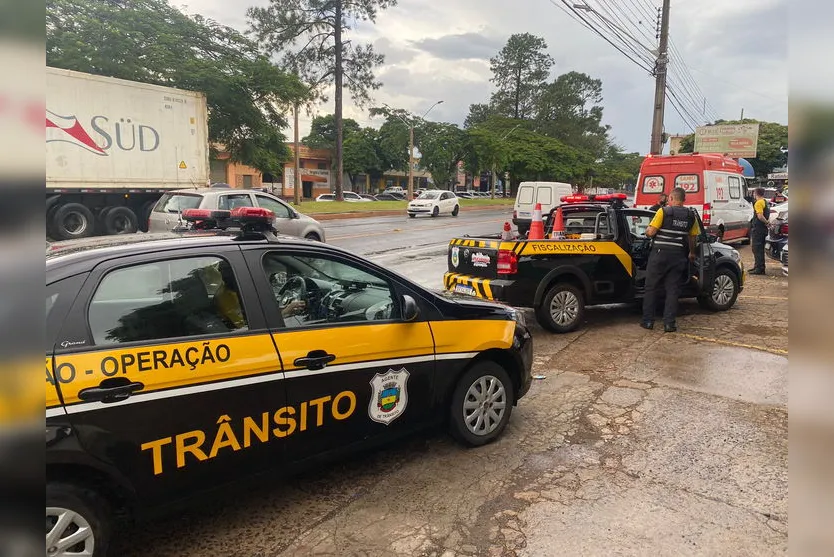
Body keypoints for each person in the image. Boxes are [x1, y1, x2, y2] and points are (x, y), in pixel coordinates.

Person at [641, 187, 700, 333]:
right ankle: (669, 324)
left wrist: (647, 231)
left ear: (672, 199)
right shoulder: (690, 215)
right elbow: (693, 238)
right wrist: (692, 253)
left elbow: (651, 232)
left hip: (660, 255)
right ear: (683, 200)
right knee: (673, 290)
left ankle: (648, 321)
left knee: (651, 288)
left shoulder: (664, 211)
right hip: (678, 256)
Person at [749, 187, 770, 275]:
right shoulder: (765, 201)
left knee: (756, 248)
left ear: (756, 193)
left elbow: (760, 216)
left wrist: (767, 222)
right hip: (763, 229)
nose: (753, 195)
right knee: (759, 249)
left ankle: (759, 268)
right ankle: (758, 266)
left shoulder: (758, 203)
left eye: (754, 193)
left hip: (758, 228)